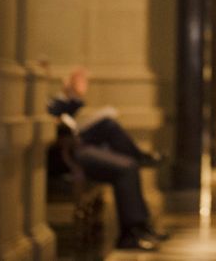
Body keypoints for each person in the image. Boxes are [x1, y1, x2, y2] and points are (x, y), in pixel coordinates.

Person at [47, 67, 168, 252]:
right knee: (127, 167)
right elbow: (54, 118)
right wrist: (69, 95)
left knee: (109, 126)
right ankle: (130, 234)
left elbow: (64, 114)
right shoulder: (39, 94)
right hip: (66, 154)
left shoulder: (48, 95)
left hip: (74, 146)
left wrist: (73, 95)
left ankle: (140, 227)